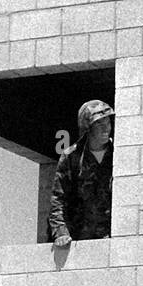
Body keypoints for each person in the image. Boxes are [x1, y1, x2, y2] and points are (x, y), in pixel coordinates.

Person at [49, 99, 114, 246]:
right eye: (99, 123)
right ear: (88, 127)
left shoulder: (119, 153)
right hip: (81, 239)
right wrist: (61, 233)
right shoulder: (72, 156)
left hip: (112, 238)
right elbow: (58, 198)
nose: (106, 128)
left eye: (108, 122)